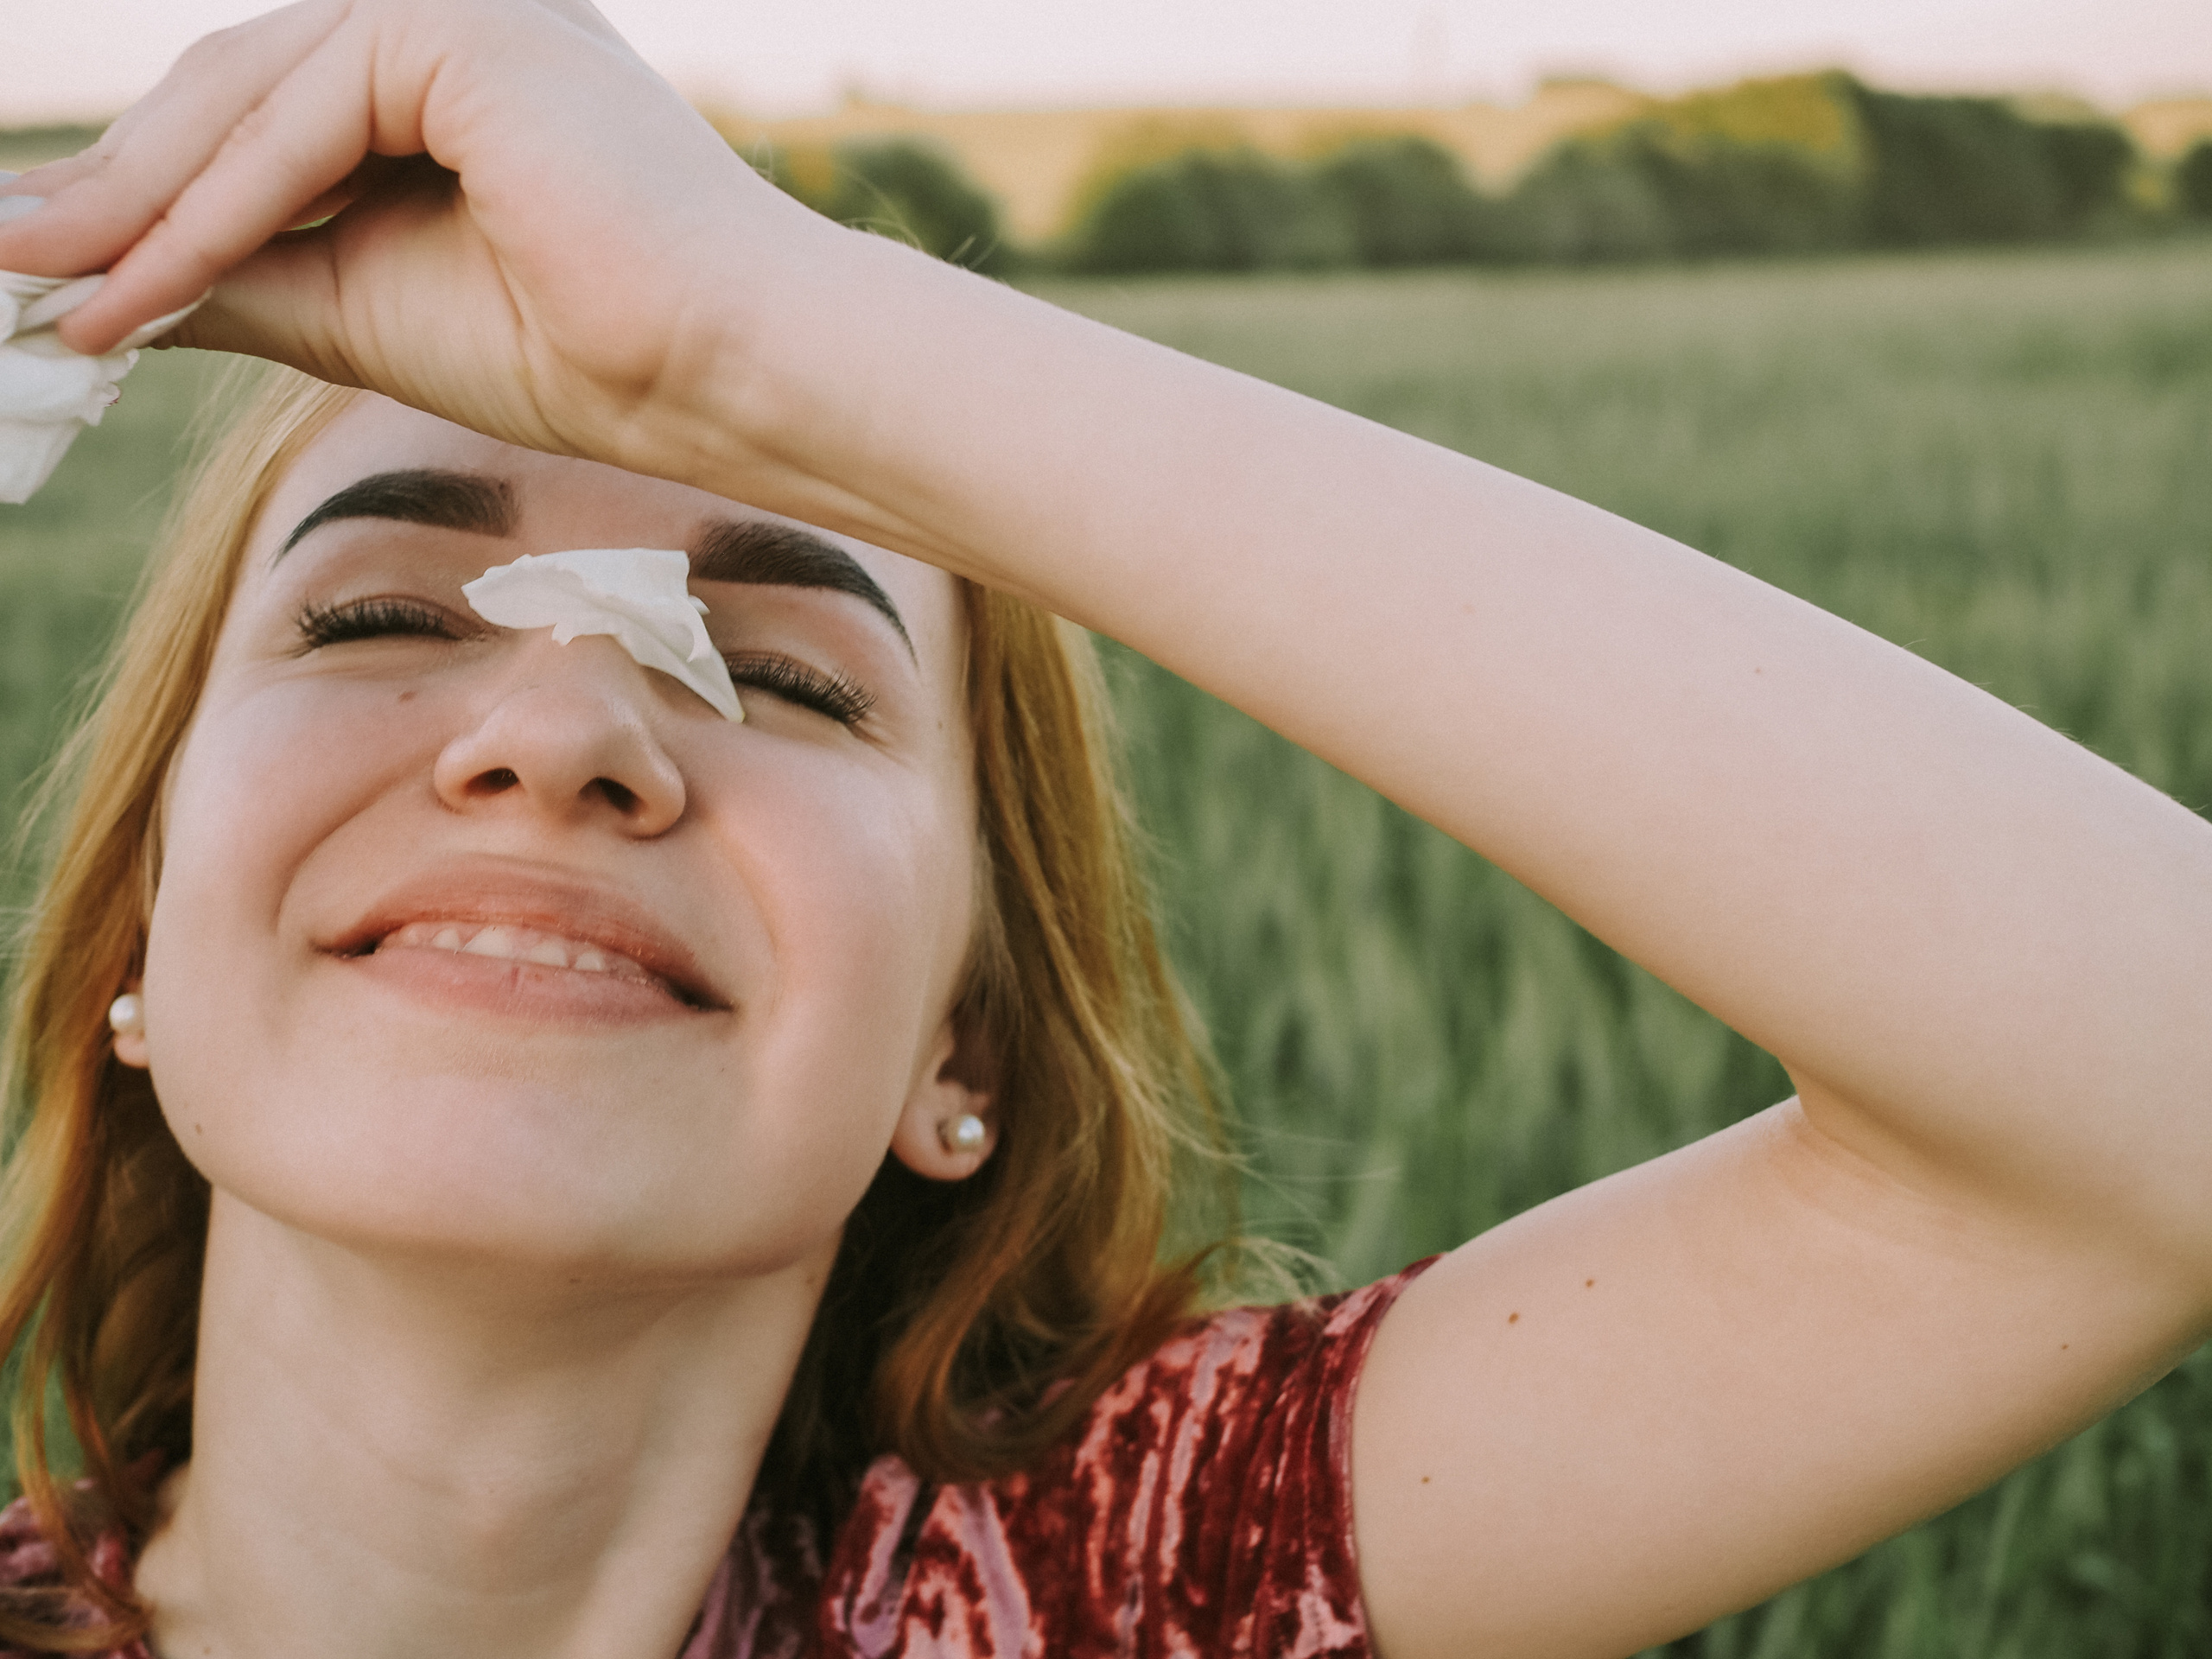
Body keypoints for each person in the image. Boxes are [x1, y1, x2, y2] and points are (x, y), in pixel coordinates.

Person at [0, 3, 2205, 1656]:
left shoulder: (1124, 1589)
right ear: (139, 937)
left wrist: (752, 339)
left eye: (781, 673)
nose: (565, 726)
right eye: (381, 613)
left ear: (958, 1049)